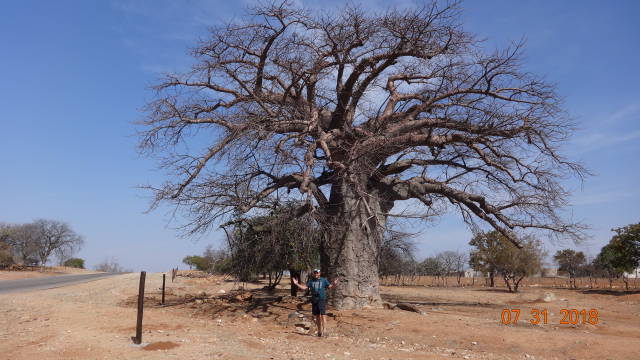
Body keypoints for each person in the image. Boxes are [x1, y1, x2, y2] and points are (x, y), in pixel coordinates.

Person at [292, 269, 339, 337]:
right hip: (314, 300)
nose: (316, 274)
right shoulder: (311, 281)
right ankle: (319, 331)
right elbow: (304, 288)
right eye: (315, 273)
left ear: (319, 273)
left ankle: (325, 330)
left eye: (317, 273)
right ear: (313, 274)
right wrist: (296, 284)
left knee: (323, 315)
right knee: (317, 316)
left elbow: (330, 287)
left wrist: (334, 283)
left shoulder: (324, 280)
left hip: (321, 299)